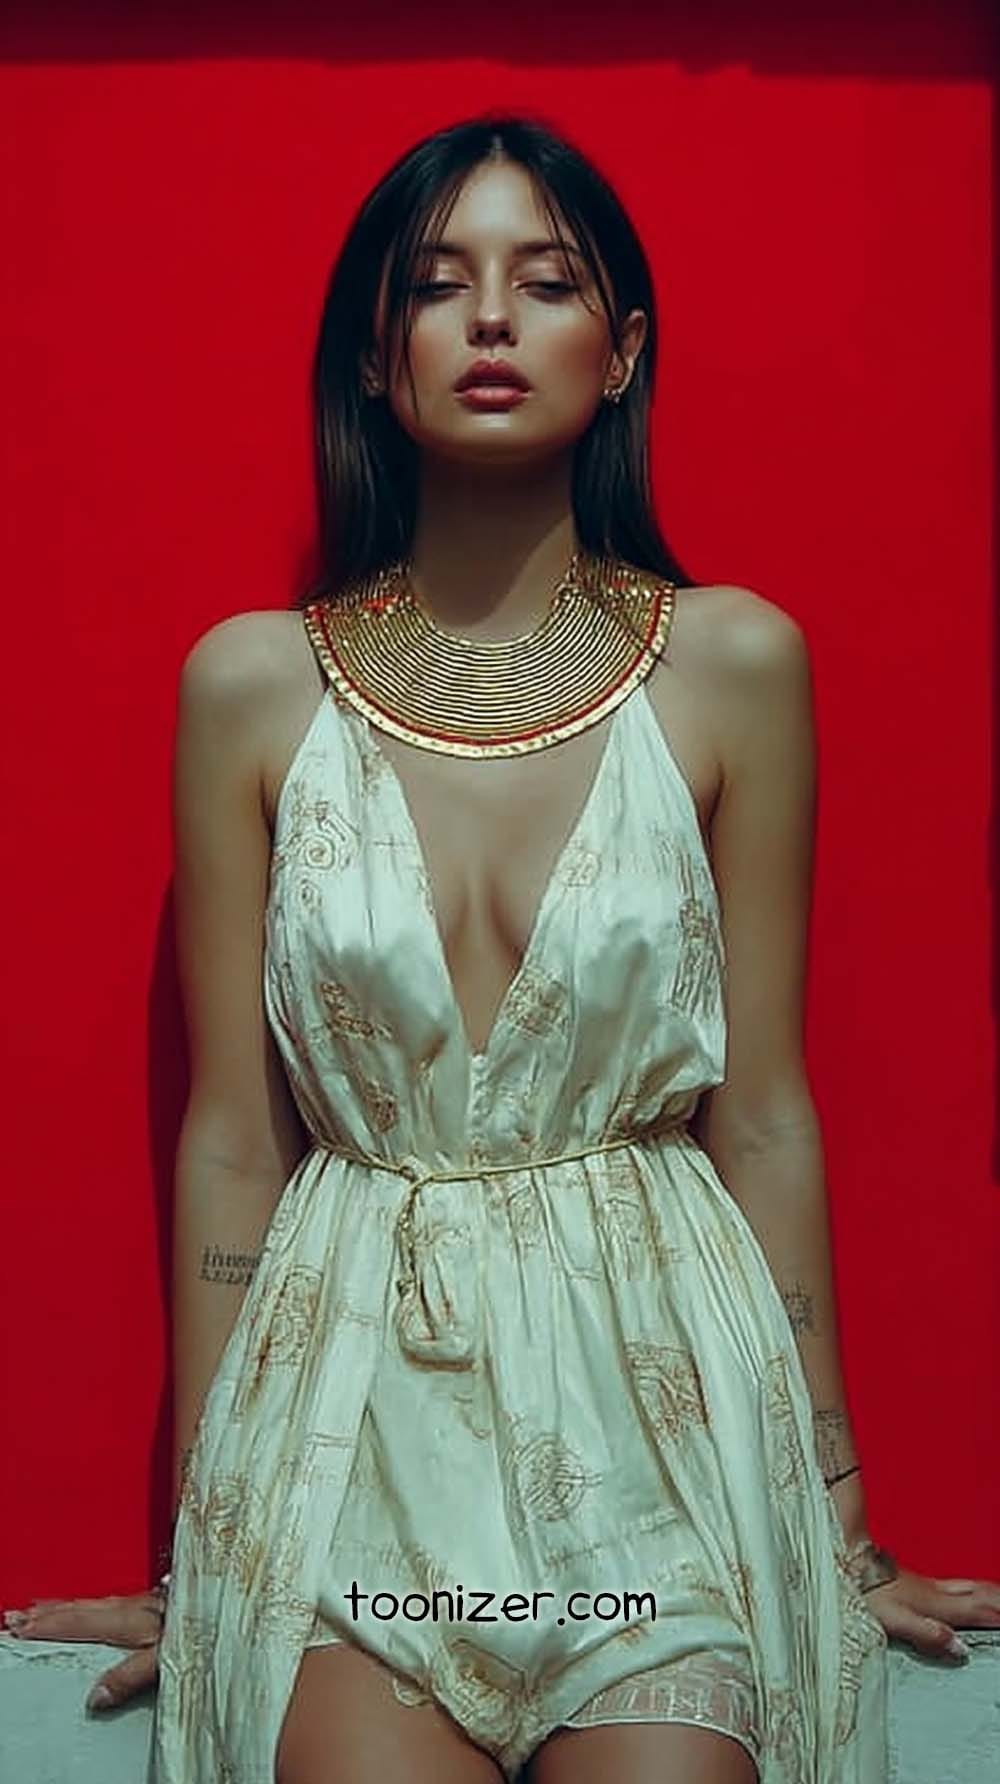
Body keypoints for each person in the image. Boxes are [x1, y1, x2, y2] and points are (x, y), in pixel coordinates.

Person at [4, 111, 1000, 1784]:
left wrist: (835, 1503)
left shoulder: (738, 664)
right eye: (436, 285)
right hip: (353, 1402)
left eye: (543, 283)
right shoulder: (250, 687)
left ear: (619, 355)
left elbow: (759, 1113)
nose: (486, 319)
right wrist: (211, 1533)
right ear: (375, 356)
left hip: (659, 1402)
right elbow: (238, 1140)